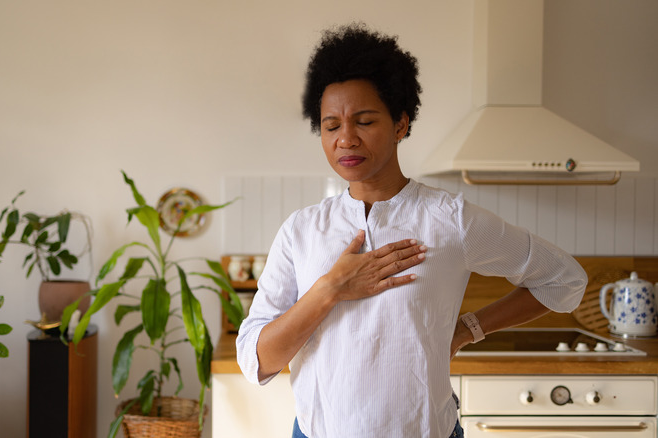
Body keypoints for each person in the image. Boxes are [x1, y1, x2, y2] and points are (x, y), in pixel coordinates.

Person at [236, 23, 587, 438]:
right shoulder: (301, 230)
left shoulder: (450, 218)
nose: (346, 139)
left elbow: (564, 280)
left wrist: (469, 329)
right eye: (331, 126)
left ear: (401, 124)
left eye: (364, 121)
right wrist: (330, 287)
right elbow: (256, 359)